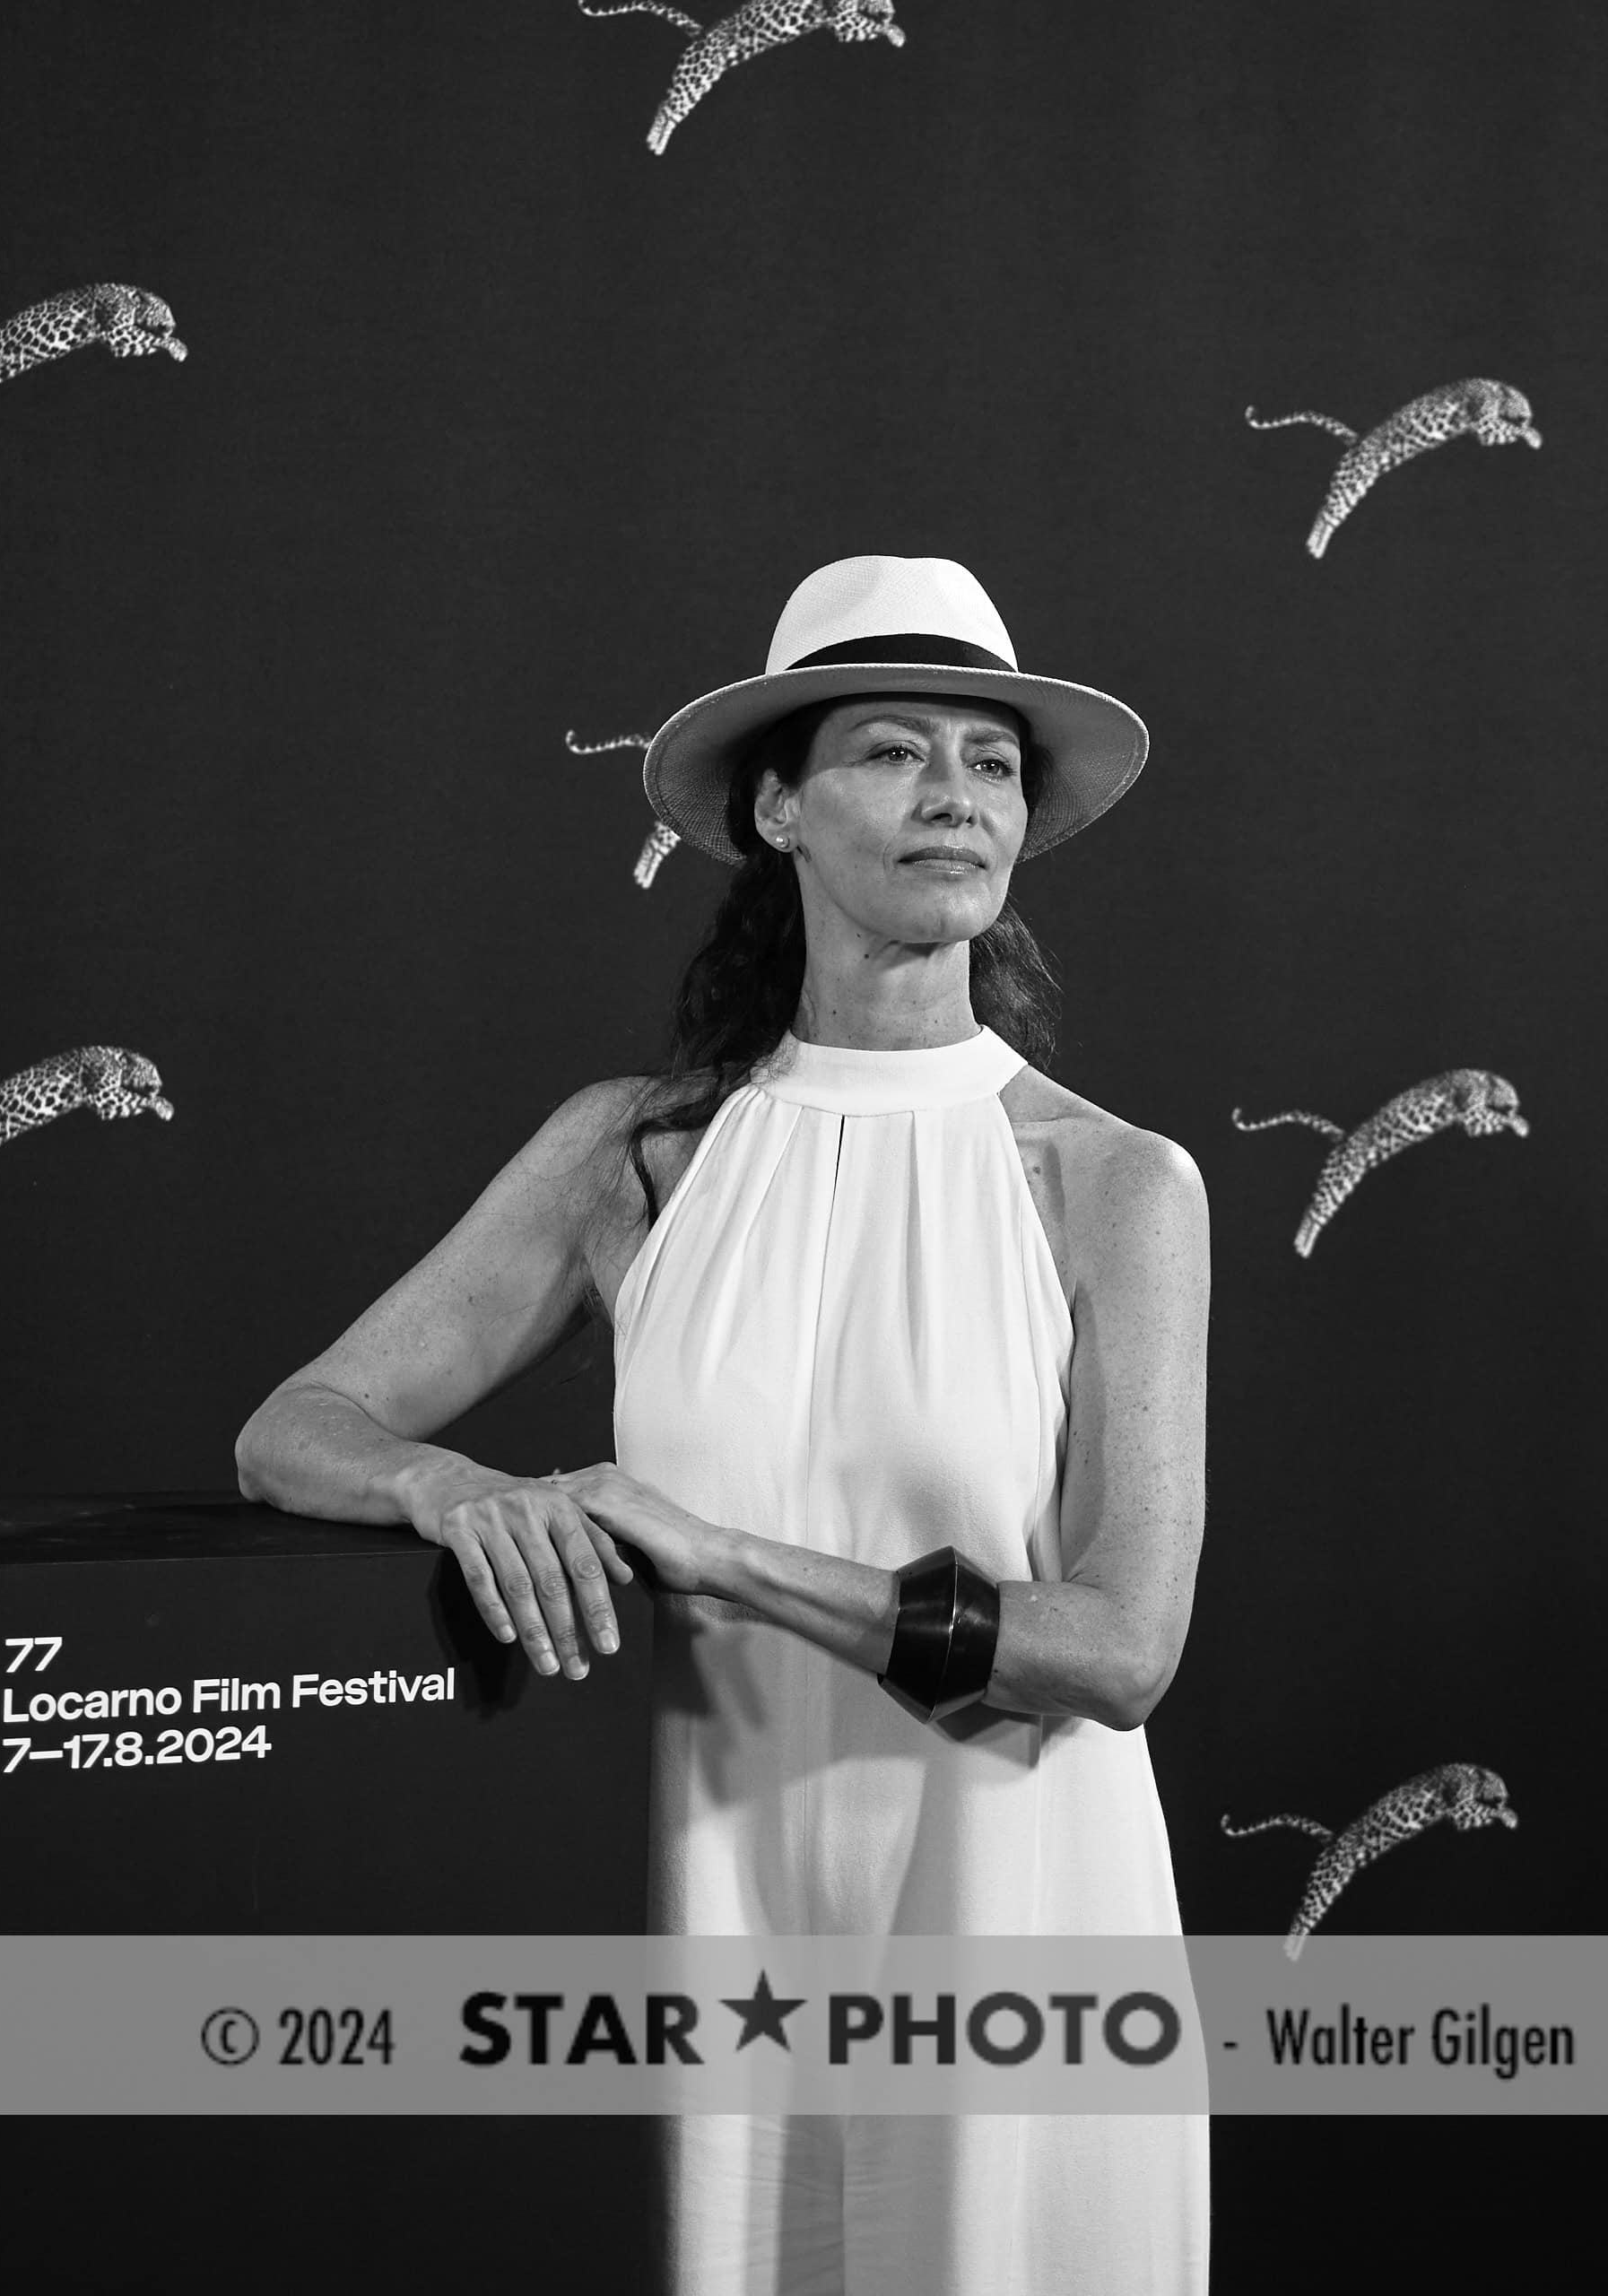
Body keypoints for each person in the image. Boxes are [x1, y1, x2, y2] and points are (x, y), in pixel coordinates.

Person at [236, 553, 1211, 2295]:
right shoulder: (637, 1150)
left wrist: (717, 1553)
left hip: (1015, 1925)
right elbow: (296, 1427)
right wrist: (453, 1486)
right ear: (776, 806)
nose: (952, 798)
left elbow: (1123, 1647)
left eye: (991, 762)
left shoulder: (1116, 1181)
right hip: (723, 1913)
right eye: (893, 751)